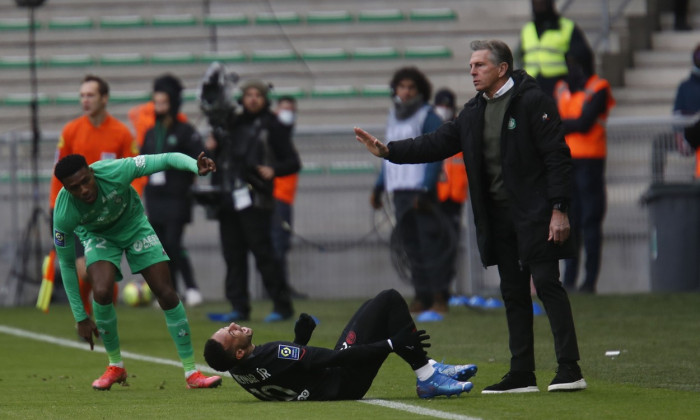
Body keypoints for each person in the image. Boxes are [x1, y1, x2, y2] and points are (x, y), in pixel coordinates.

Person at [354, 39, 586, 394]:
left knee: (547, 284)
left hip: (536, 213)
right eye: (471, 66)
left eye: (479, 65)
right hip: (498, 217)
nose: (473, 71)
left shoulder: (533, 101)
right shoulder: (474, 111)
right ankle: (522, 373)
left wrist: (559, 210)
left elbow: (557, 157)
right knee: (512, 292)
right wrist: (389, 152)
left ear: (502, 68)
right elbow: (436, 143)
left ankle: (570, 369)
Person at [52, 152, 222, 390]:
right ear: (66, 189)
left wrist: (194, 166)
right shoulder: (63, 213)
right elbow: (68, 264)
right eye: (75, 188)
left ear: (91, 172)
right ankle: (116, 366)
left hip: (134, 226)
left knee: (165, 291)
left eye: (85, 181)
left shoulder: (116, 171)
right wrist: (80, 316)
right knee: (101, 291)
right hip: (99, 236)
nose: (84, 190)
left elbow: (166, 158)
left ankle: (191, 372)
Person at [203, 289, 476, 400]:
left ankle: (428, 366)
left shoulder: (237, 369)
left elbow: (286, 370)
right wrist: (393, 343)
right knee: (389, 300)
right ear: (239, 352)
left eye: (227, 327)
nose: (233, 326)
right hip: (343, 381)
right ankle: (427, 377)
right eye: (231, 332)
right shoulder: (273, 352)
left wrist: (300, 341)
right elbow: (335, 360)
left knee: (373, 306)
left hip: (327, 384)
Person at [205, 79, 299, 323]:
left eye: (258, 94)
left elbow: (292, 161)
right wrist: (212, 147)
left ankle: (282, 305)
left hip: (256, 200)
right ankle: (239, 307)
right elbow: (221, 157)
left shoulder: (273, 125)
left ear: (265, 99)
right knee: (233, 256)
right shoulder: (232, 124)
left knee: (264, 255)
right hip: (228, 198)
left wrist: (273, 170)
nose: (253, 99)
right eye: (249, 94)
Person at [49, 74, 138, 315]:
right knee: (84, 269)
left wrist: (128, 207)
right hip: (78, 215)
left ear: (104, 98)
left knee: (104, 271)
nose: (85, 100)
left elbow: (133, 173)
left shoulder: (121, 133)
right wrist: (55, 209)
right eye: (82, 96)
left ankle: (103, 316)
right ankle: (88, 315)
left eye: (90, 95)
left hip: (111, 215)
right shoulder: (71, 131)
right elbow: (58, 174)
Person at [370, 66, 444, 315]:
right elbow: (386, 154)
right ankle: (421, 296)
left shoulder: (427, 115)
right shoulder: (393, 116)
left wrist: (426, 188)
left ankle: (439, 297)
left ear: (420, 90)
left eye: (411, 87)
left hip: (420, 191)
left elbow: (436, 153)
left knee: (428, 245)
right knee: (410, 247)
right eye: (402, 86)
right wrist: (379, 187)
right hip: (399, 191)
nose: (406, 91)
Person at [140, 74, 205, 307]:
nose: (159, 107)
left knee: (175, 243)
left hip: (177, 197)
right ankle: (171, 291)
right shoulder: (150, 133)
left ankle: (190, 287)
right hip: (155, 198)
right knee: (162, 247)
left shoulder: (186, 131)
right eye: (156, 102)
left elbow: (199, 157)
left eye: (163, 102)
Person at [554, 57, 615, 294]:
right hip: (568, 161)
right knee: (572, 221)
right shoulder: (562, 88)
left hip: (591, 162)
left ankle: (589, 282)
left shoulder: (598, 87)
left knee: (590, 220)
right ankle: (569, 281)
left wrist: (561, 124)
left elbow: (584, 123)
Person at [432, 88, 468, 317]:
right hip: (437, 197)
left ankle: (444, 291)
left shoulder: (460, 129)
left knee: (449, 247)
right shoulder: (432, 128)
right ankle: (436, 292)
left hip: (455, 197)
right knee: (436, 246)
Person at [517, 0, 593, 98]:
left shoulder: (567, 27)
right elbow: (520, 58)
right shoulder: (527, 29)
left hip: (559, 89)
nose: (539, 3)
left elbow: (584, 58)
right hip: (532, 88)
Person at [271, 95, 307, 299]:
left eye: (291, 110)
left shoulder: (283, 135)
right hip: (277, 196)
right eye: (284, 109)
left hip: (284, 196)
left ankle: (280, 287)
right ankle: (279, 289)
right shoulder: (276, 135)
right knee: (278, 244)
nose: (288, 114)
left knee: (281, 244)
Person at [673, 44, 700, 178]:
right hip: (690, 136)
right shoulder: (685, 87)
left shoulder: (685, 87)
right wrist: (680, 139)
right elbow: (677, 115)